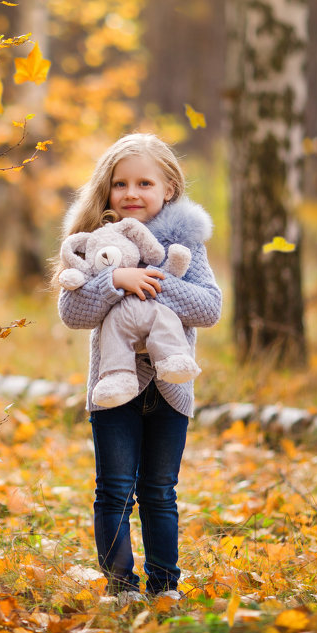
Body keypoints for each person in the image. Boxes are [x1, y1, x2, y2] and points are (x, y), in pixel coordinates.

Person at [56, 132, 222, 599]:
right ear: (106, 190)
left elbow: (209, 308)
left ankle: (165, 586)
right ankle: (121, 587)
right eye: (120, 184)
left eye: (144, 183)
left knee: (160, 491)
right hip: (112, 388)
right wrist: (114, 279)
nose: (131, 193)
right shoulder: (96, 244)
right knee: (113, 491)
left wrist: (152, 282)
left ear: (168, 188)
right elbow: (73, 314)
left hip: (171, 388)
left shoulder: (185, 244)